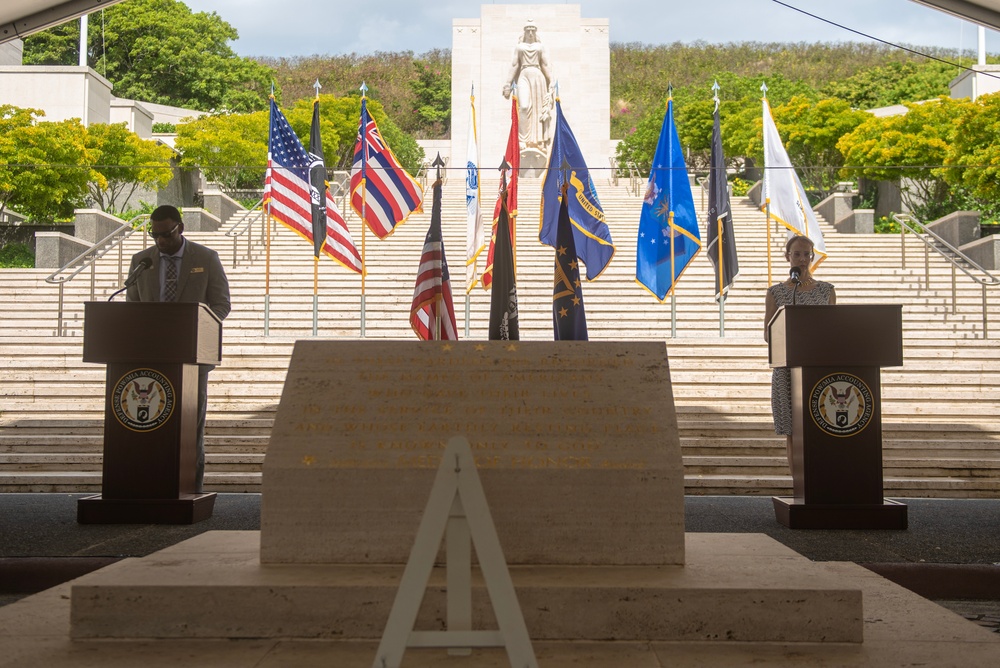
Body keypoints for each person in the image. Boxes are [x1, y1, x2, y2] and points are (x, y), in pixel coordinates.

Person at [126, 205, 231, 493]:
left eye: (167, 234)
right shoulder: (141, 261)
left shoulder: (206, 258)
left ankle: (190, 487)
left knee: (189, 424)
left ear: (180, 228)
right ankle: (147, 485)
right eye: (155, 235)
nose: (161, 241)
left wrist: (196, 328)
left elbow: (221, 305)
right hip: (148, 357)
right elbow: (132, 306)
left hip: (191, 356)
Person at [764, 235, 836, 463]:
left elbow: (836, 329)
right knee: (793, 430)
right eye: (797, 254)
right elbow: (768, 333)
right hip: (787, 370)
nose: (802, 259)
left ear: (812, 257)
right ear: (787, 257)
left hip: (818, 369)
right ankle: (798, 482)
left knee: (819, 424)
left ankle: (820, 479)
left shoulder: (826, 290)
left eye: (807, 254)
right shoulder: (776, 292)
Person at [502, 21, 555, 152]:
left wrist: (551, 80)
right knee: (524, 107)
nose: (530, 33)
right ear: (524, 32)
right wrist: (507, 83)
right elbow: (515, 65)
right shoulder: (519, 47)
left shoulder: (540, 47)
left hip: (538, 76)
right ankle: (523, 139)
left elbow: (545, 65)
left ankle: (539, 141)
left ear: (535, 32)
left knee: (538, 109)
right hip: (524, 75)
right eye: (528, 30)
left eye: (533, 30)